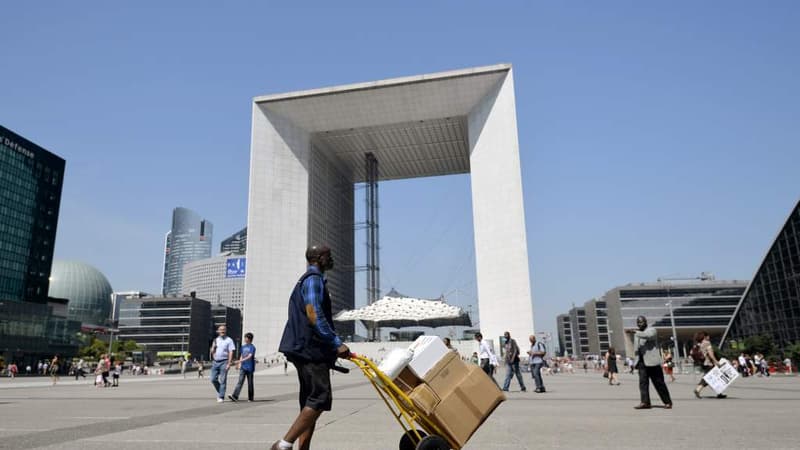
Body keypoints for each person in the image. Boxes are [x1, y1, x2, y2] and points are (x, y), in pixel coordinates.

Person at [272, 245, 350, 450]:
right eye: (328, 255)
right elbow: (314, 314)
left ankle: (302, 448)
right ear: (319, 258)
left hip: (303, 348)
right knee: (320, 397)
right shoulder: (314, 280)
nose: (331, 258)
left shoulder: (307, 280)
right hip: (310, 350)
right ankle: (283, 445)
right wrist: (336, 343)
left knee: (309, 401)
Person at [627, 316, 672, 410]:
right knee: (643, 383)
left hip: (653, 362)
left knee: (659, 383)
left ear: (646, 322)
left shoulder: (652, 330)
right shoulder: (637, 334)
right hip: (642, 363)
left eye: (641, 322)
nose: (639, 324)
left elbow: (648, 336)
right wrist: (635, 361)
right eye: (638, 323)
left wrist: (635, 332)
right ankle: (645, 402)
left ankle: (667, 402)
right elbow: (636, 347)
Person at [693, 331, 726, 399]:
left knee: (712, 378)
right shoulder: (707, 343)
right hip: (709, 363)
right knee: (709, 378)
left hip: (703, 363)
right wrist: (716, 362)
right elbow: (711, 354)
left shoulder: (700, 344)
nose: (709, 337)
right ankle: (698, 389)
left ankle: (719, 393)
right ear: (705, 336)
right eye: (708, 336)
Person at [210, 325, 236, 403]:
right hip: (215, 362)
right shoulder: (216, 340)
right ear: (218, 331)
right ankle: (221, 391)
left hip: (224, 362)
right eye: (221, 330)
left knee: (223, 380)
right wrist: (213, 350)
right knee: (213, 379)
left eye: (224, 329)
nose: (222, 331)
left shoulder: (229, 340)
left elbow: (231, 351)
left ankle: (221, 396)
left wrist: (229, 363)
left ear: (226, 330)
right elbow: (212, 351)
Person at [229, 332, 256, 402]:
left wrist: (239, 361)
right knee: (240, 381)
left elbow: (250, 356)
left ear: (249, 339)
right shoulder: (243, 347)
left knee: (250, 383)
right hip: (243, 367)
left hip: (250, 367)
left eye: (246, 337)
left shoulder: (252, 347)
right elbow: (241, 355)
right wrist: (239, 364)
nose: (245, 339)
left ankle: (250, 397)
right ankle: (235, 396)